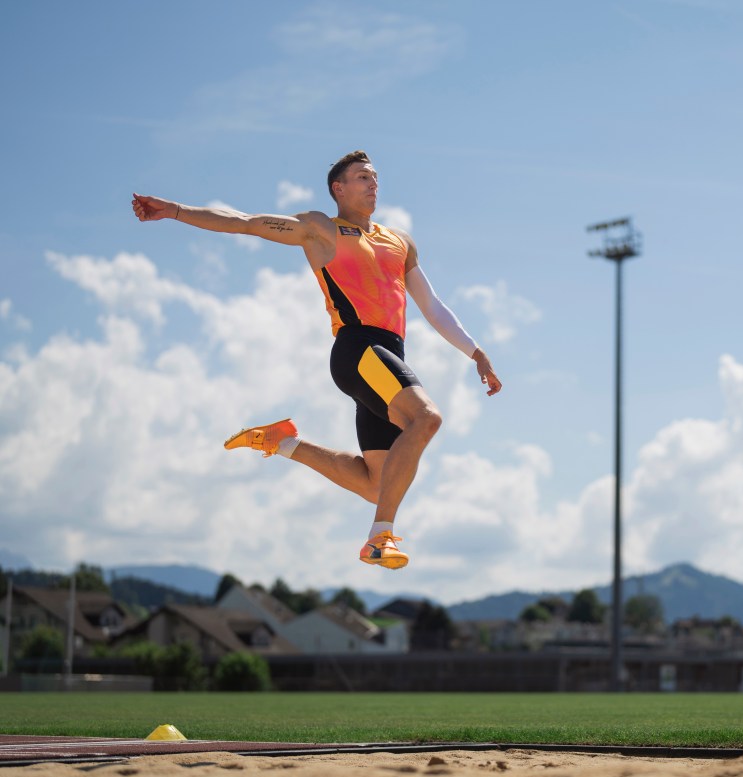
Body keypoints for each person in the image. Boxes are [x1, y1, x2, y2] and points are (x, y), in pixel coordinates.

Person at [132, 150, 501, 570]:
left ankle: (281, 441)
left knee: (376, 483)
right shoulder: (320, 230)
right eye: (362, 177)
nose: (373, 183)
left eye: (375, 177)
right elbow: (245, 222)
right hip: (357, 349)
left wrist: (476, 352)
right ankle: (380, 538)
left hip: (387, 359)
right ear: (338, 189)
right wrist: (176, 210)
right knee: (427, 419)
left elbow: (431, 306)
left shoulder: (400, 242)